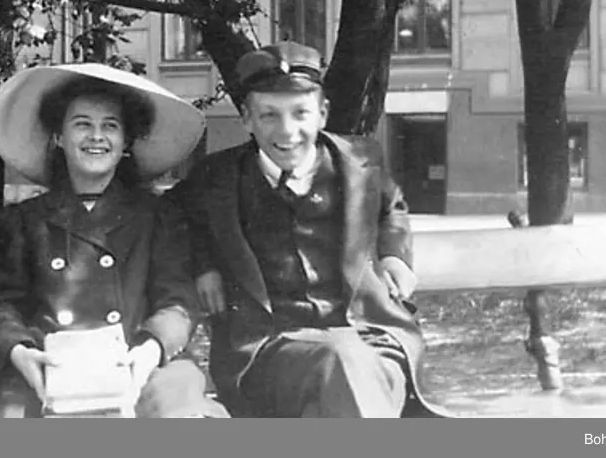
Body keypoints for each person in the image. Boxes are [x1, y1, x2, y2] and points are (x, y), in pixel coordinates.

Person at [162, 41, 446, 418]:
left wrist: (395, 255)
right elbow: (170, 216)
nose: (287, 131)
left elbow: (391, 206)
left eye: (301, 113)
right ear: (246, 119)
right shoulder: (216, 178)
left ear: (322, 113)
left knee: (343, 373)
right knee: (340, 364)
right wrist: (203, 265)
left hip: (371, 336)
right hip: (271, 349)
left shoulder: (360, 163)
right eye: (269, 115)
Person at [0, 63, 228, 418]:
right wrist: (20, 352)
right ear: (59, 137)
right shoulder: (20, 221)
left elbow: (178, 302)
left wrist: (151, 349)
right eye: (82, 124)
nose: (97, 137)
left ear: (125, 142)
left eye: (110, 126)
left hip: (142, 363)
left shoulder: (157, 215)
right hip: (48, 367)